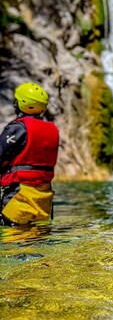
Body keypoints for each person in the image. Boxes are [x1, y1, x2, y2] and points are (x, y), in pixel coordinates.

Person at [0, 82, 59, 226]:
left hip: (19, 195)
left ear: (20, 103)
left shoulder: (18, 128)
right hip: (44, 199)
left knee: (12, 243)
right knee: (36, 240)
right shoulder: (52, 129)